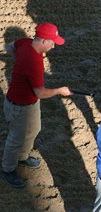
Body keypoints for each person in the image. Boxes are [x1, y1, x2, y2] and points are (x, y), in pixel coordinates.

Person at [0, 23, 72, 189]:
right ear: (43, 40)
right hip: (19, 107)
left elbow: (10, 47)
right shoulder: (34, 63)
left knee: (34, 129)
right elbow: (40, 92)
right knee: (15, 139)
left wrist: (18, 61)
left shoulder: (26, 42)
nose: (54, 45)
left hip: (29, 103)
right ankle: (7, 169)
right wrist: (60, 91)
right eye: (52, 42)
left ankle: (22, 157)